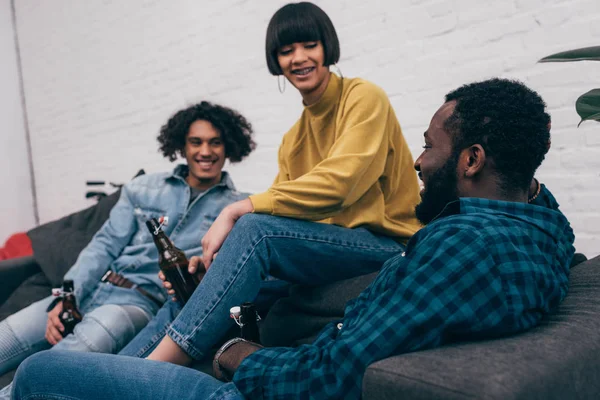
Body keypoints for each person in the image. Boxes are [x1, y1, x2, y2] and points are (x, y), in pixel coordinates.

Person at [11, 77, 575, 400]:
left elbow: (331, 375)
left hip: (260, 391)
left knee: (39, 372)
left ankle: (143, 372)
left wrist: (240, 355)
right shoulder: (544, 229)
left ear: (473, 159)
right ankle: (135, 374)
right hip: (269, 349)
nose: (417, 162)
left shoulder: (461, 247)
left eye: (428, 146)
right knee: (207, 291)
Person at [113, 1, 421, 364]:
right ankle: (116, 372)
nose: (299, 58)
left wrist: (238, 208)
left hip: (388, 244)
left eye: (309, 45)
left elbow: (341, 184)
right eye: (286, 50)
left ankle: (160, 364)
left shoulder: (363, 97)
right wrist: (214, 265)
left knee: (254, 228)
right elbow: (286, 218)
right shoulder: (294, 138)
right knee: (196, 286)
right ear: (276, 61)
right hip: (333, 249)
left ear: (327, 48)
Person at [0, 101, 255, 398]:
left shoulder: (235, 209)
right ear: (182, 147)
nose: (205, 152)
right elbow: (103, 245)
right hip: (92, 288)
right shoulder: (143, 188)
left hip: (137, 304)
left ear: (229, 147)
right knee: (8, 335)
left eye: (215, 142)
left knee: (86, 342)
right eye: (195, 142)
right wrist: (67, 296)